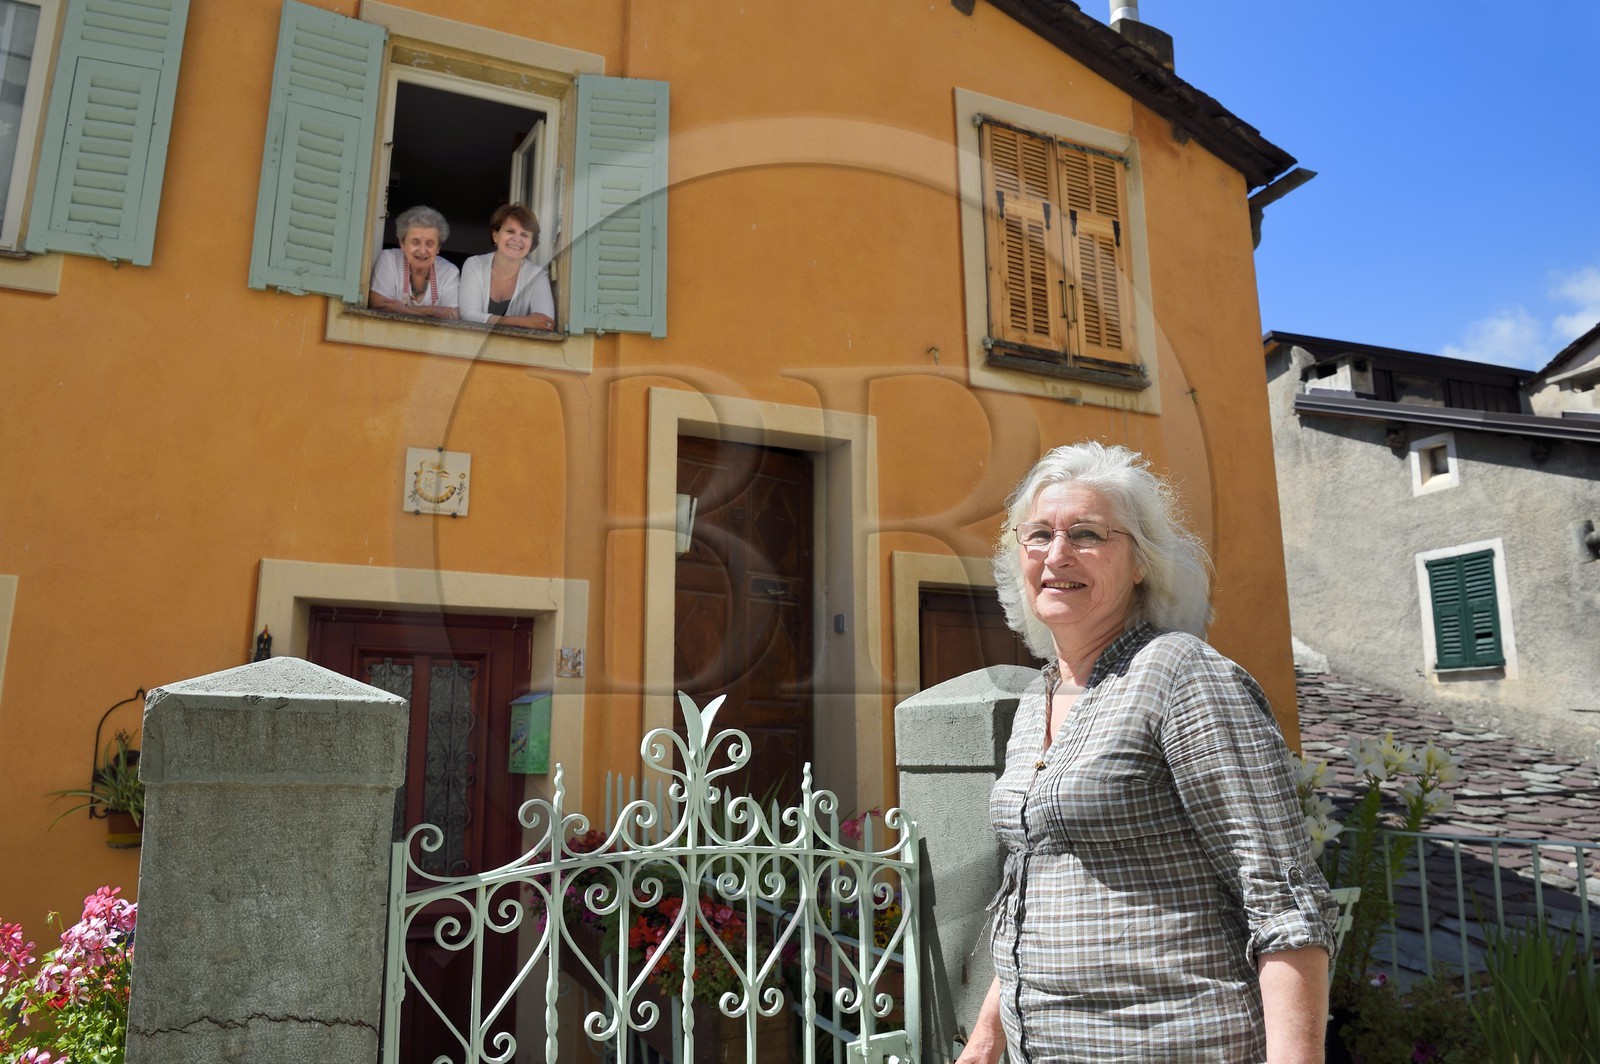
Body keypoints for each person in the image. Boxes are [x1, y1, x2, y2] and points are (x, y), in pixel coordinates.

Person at [956, 442, 1338, 1064]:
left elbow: (1282, 898)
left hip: (1172, 1042)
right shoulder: (1040, 694)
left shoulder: (1184, 676)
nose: (1057, 555)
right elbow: (1037, 883)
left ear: (1140, 562)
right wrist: (986, 1039)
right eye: (1038, 536)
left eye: (1086, 534)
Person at [457, 204, 556, 331]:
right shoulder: (475, 265)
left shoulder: (537, 275)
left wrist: (488, 320)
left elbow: (546, 324)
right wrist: (522, 322)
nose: (517, 239)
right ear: (495, 236)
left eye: (524, 235)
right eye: (510, 231)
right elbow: (468, 317)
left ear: (531, 244)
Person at [368, 205, 460, 319]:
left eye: (430, 243)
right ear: (402, 243)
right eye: (415, 242)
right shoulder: (389, 259)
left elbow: (453, 316)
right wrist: (434, 311)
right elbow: (378, 306)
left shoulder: (449, 272)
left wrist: (402, 309)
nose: (422, 251)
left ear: (438, 248)